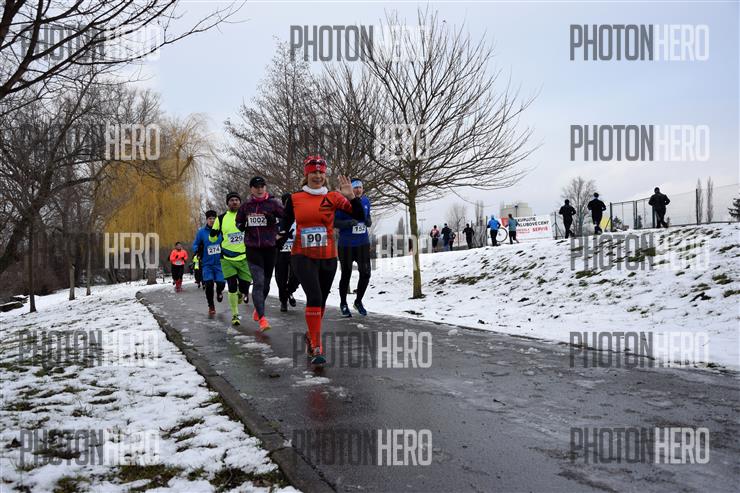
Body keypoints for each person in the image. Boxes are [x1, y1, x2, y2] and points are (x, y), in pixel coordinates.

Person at [279, 155, 366, 366]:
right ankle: (317, 346)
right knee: (315, 296)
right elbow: (285, 223)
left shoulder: (334, 197)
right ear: (306, 174)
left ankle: (311, 336)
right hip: (302, 255)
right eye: (313, 172)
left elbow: (359, 216)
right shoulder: (295, 198)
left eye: (321, 172)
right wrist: (278, 236)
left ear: (325, 175)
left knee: (322, 301)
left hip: (328, 256)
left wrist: (351, 197)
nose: (317, 175)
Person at [236, 176, 284, 332]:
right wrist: (243, 225)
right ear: (251, 189)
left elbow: (287, 219)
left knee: (266, 284)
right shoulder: (246, 206)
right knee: (258, 282)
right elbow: (238, 222)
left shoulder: (274, 203)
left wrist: (274, 221)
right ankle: (263, 319)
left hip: (270, 248)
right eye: (256, 186)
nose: (260, 189)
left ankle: (258, 307)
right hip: (253, 248)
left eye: (262, 186)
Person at [208, 192, 252, 326]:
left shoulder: (246, 216)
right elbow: (212, 238)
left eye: (237, 200)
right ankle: (235, 314)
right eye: (231, 200)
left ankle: (241, 293)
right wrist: (213, 233)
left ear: (240, 202)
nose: (234, 202)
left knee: (245, 287)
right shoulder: (221, 218)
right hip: (227, 258)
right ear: (228, 203)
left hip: (244, 257)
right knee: (231, 286)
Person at [335, 178, 372, 317]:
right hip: (346, 245)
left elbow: (368, 216)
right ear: (350, 189)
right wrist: (347, 223)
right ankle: (343, 303)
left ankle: (358, 301)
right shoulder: (341, 203)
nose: (358, 190)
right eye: (355, 187)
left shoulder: (366, 201)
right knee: (346, 274)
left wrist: (368, 221)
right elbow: (334, 222)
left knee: (366, 273)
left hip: (363, 243)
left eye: (360, 187)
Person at [193, 210, 226, 315]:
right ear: (206, 220)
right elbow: (195, 244)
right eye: (210, 219)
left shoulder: (221, 230)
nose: (212, 220)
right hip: (207, 264)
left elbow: (227, 241)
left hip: (220, 263)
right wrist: (197, 250)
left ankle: (219, 291)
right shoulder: (201, 232)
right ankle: (211, 306)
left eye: (213, 218)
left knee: (221, 283)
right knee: (209, 284)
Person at [275, 193, 300, 312]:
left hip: (296, 252)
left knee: (297, 276)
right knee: (281, 278)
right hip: (281, 252)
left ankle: (289, 291)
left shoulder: (300, 216)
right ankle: (283, 301)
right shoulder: (278, 217)